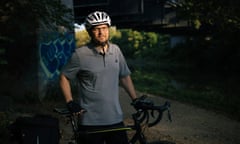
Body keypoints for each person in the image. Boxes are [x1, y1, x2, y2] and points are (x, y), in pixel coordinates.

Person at [59, 11, 138, 144]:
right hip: (90, 121)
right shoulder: (80, 55)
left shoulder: (116, 51)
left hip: (115, 119)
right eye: (96, 29)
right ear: (90, 32)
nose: (101, 32)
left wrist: (135, 99)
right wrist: (70, 101)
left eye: (104, 28)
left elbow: (124, 76)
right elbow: (64, 77)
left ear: (108, 29)